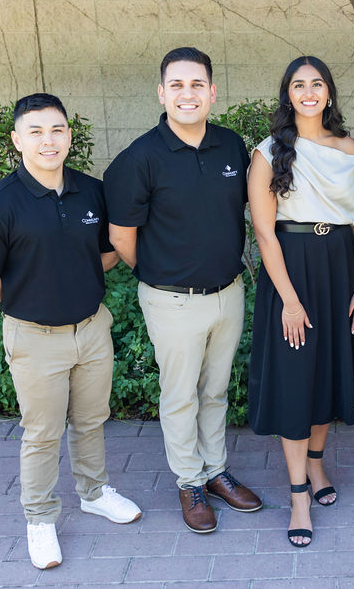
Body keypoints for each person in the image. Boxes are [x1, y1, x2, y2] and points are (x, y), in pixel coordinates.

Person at [0, 93, 142, 570]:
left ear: (68, 135)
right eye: (36, 132)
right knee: (41, 433)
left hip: (91, 328)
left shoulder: (90, 191)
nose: (48, 140)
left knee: (91, 418)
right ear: (17, 140)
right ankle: (40, 520)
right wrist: (36, 294)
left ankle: (94, 491)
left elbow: (106, 252)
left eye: (57, 130)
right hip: (34, 338)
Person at [102, 47, 261, 535]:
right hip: (171, 299)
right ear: (162, 92)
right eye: (177, 85)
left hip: (228, 292)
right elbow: (122, 237)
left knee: (215, 390)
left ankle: (216, 473)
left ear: (212, 92)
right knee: (179, 396)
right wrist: (159, 275)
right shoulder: (140, 158)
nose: (187, 94)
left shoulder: (232, 147)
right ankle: (189, 482)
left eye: (197, 85)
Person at [247, 56, 354, 547]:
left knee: (327, 370)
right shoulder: (268, 153)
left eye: (317, 83)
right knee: (295, 380)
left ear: (328, 92)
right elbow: (264, 233)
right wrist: (288, 300)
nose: (308, 92)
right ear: (288, 93)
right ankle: (298, 495)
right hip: (293, 270)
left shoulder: (347, 147)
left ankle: (316, 466)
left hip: (338, 268)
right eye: (298, 84)